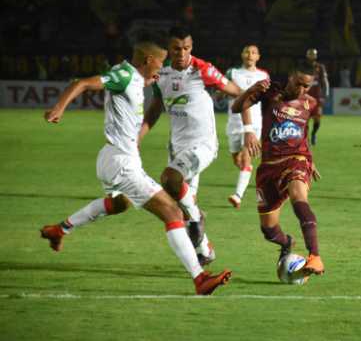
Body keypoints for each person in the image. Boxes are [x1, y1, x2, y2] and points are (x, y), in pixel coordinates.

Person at [39, 36, 231, 295]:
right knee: (173, 212)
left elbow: (150, 108)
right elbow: (82, 83)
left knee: (120, 204)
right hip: (121, 162)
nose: (162, 69)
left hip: (111, 157)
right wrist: (59, 108)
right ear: (148, 60)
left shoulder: (136, 79)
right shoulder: (124, 75)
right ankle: (200, 278)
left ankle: (60, 229)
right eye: (160, 63)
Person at [139, 27, 245, 264]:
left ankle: (198, 219)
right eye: (176, 48)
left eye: (186, 48)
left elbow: (238, 93)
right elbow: (156, 107)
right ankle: (205, 249)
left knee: (170, 179)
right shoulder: (162, 74)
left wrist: (248, 132)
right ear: (168, 49)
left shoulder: (201, 69)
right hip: (177, 147)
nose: (182, 53)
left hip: (203, 144)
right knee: (178, 208)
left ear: (192, 47)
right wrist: (138, 138)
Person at [231, 62, 325, 277]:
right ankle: (287, 243)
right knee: (269, 230)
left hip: (296, 161)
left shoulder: (310, 103)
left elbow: (303, 132)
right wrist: (252, 90)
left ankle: (315, 256)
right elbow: (236, 108)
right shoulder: (269, 91)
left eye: (307, 86)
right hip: (269, 167)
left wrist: (310, 160)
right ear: (290, 76)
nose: (302, 90)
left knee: (298, 196)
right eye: (299, 83)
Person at [224, 44, 270, 209]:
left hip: (254, 124)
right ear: (242, 54)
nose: (250, 55)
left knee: (245, 158)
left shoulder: (263, 75)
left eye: (254, 52)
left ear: (258, 57)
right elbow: (223, 89)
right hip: (234, 122)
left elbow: (268, 99)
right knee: (238, 159)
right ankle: (249, 172)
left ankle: (237, 195)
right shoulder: (232, 73)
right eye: (247, 51)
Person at [305, 48, 329, 146]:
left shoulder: (320, 67)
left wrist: (326, 93)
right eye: (310, 54)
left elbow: (325, 81)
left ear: (316, 56)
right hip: (305, 97)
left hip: (317, 97)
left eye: (313, 54)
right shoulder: (303, 67)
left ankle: (314, 134)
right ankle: (306, 139)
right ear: (307, 56)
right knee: (304, 120)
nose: (312, 56)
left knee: (317, 118)